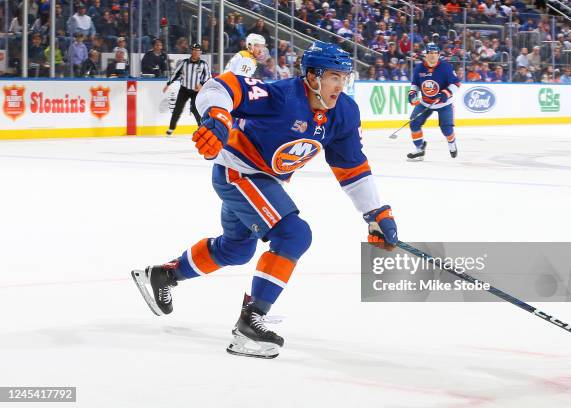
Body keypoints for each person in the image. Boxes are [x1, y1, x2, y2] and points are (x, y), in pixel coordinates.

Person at [131, 41, 399, 359]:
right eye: (333, 77)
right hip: (239, 173)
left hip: (260, 179)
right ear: (313, 77)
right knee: (294, 234)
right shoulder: (281, 97)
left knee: (237, 248)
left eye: (344, 77)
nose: (340, 86)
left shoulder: (344, 112)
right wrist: (216, 117)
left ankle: (165, 274)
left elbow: (351, 167)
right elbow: (221, 85)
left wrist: (375, 213)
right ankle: (251, 320)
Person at [407, 43, 461, 160]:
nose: (433, 55)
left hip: (444, 104)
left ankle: (452, 144)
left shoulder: (445, 67)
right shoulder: (419, 68)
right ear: (426, 55)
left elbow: (456, 83)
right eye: (430, 53)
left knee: (446, 129)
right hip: (425, 102)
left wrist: (446, 93)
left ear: (438, 55)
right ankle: (419, 149)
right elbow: (415, 84)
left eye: (435, 53)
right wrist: (412, 93)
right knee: (414, 123)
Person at [163, 44, 210, 136]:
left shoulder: (203, 64)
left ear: (200, 52)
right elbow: (176, 73)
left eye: (198, 50)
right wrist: (168, 83)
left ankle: (201, 127)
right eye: (194, 50)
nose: (196, 52)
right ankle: (171, 128)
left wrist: (201, 84)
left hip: (196, 91)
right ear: (191, 51)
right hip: (184, 89)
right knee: (177, 109)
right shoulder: (184, 62)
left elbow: (208, 76)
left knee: (196, 109)